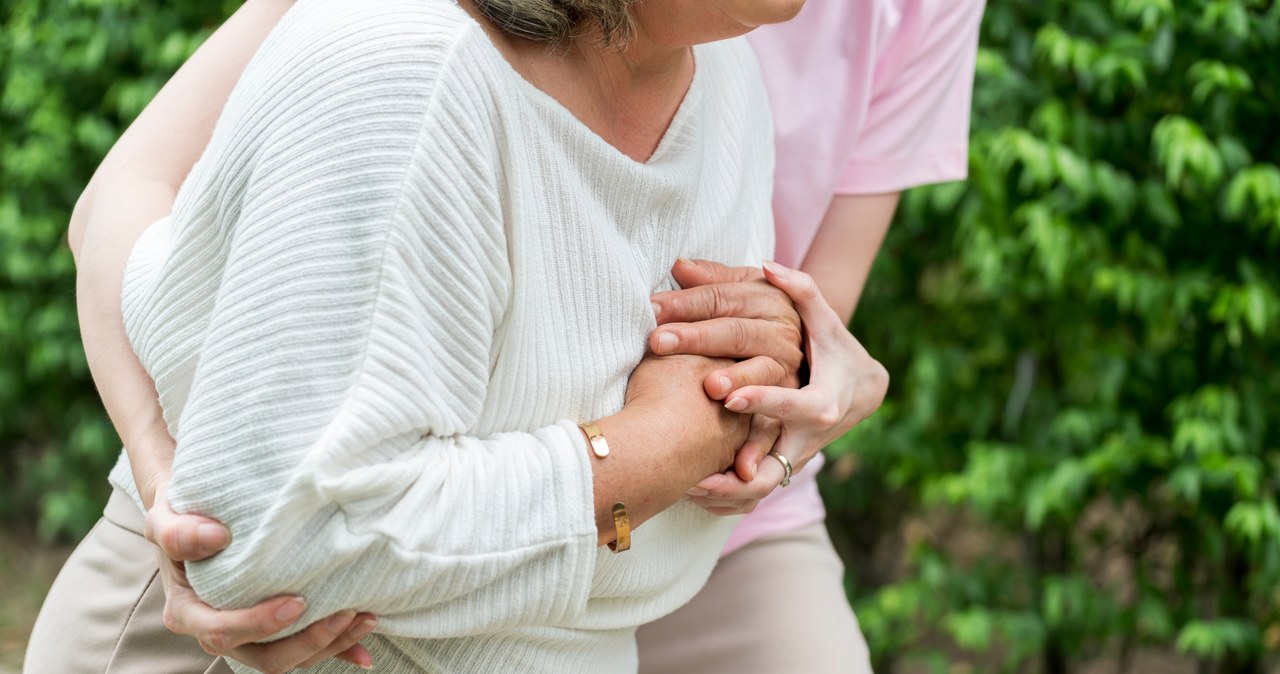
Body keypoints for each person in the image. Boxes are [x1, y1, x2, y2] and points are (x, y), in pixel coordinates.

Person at [28, 0, 891, 672]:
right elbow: (280, 538)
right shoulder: (403, 64)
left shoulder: (727, 84)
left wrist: (775, 367)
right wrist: (644, 454)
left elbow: (692, 386)